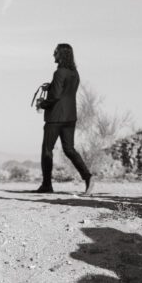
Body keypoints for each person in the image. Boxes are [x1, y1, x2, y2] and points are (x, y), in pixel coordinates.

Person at [35, 43, 93, 195]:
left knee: (47, 149)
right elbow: (65, 91)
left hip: (55, 117)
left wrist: (42, 103)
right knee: (69, 149)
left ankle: (47, 185)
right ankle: (88, 177)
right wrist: (52, 86)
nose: (53, 55)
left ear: (61, 55)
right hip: (70, 117)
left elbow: (56, 97)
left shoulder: (59, 72)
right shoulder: (74, 73)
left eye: (55, 52)